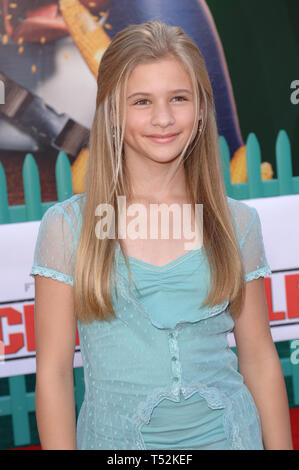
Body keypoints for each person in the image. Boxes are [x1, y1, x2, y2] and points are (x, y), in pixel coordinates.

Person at [30, 21, 293, 450]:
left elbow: (260, 358)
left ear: (202, 108)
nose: (164, 118)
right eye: (141, 101)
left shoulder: (236, 222)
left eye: (178, 98)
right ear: (112, 110)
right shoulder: (68, 228)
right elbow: (55, 375)